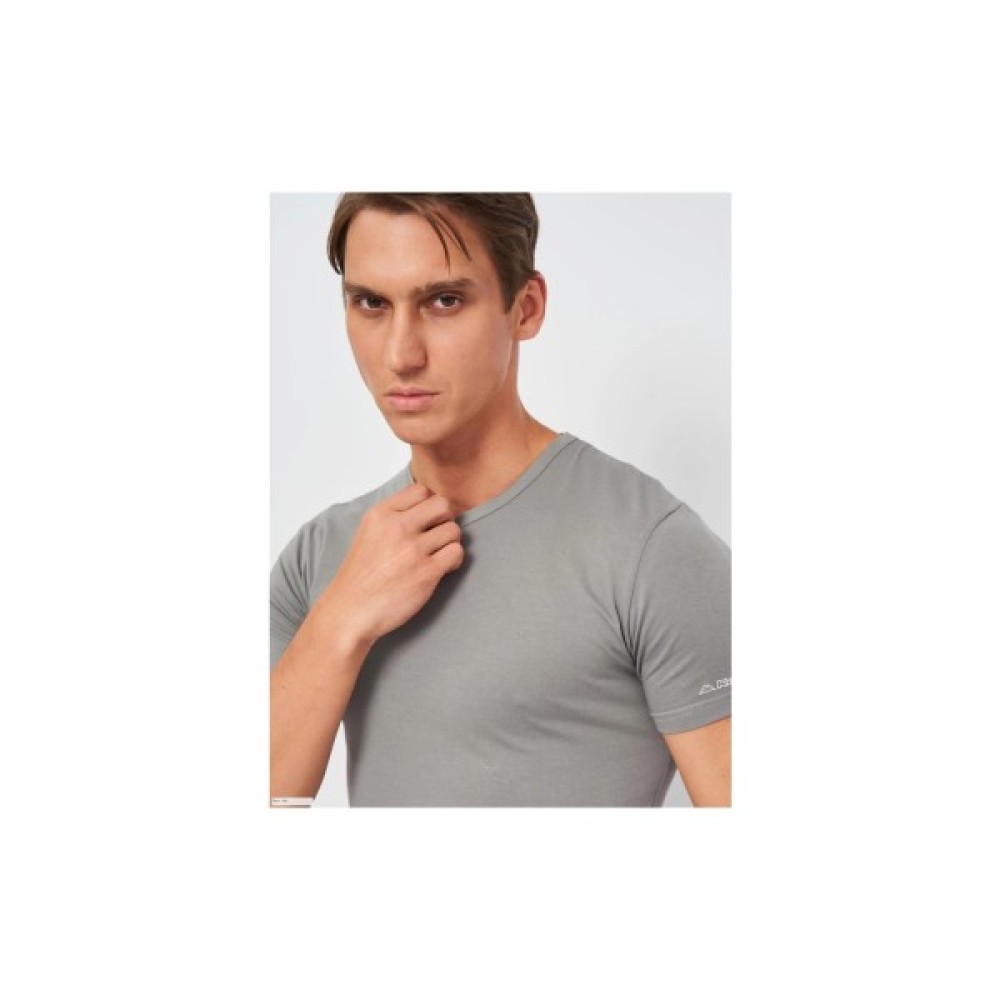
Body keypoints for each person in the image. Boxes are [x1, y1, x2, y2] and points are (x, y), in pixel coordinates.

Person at [270, 193, 731, 807]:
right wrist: (339, 625)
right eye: (371, 303)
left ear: (526, 308)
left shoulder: (650, 547)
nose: (400, 355)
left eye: (444, 301)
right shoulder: (319, 556)